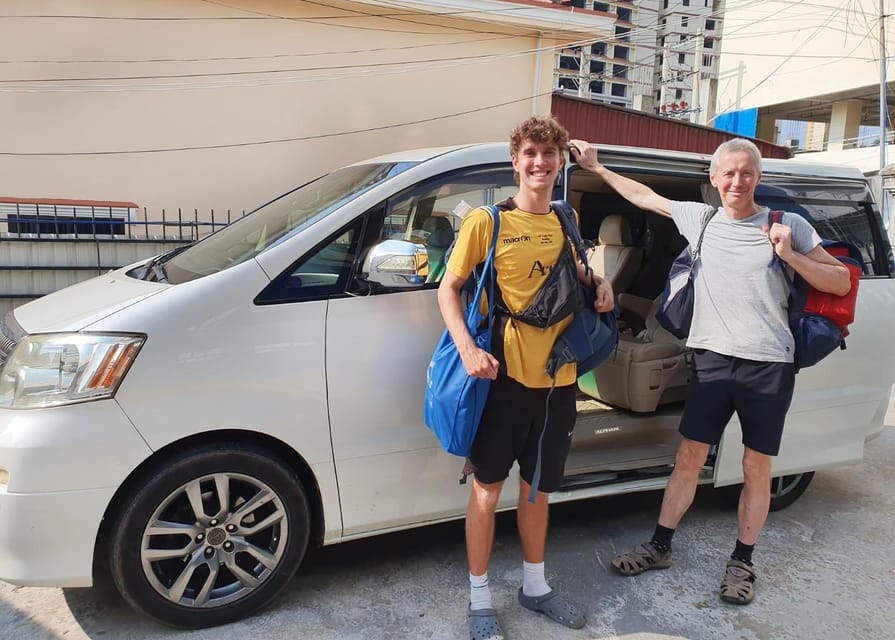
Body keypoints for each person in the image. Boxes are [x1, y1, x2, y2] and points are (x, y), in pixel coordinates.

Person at [569, 137, 851, 605]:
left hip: (769, 365)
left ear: (758, 178)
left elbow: (839, 280)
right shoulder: (701, 220)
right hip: (712, 361)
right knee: (689, 458)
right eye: (729, 173)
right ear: (715, 179)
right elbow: (644, 196)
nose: (737, 181)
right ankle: (660, 546)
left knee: (755, 468)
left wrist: (791, 256)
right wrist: (597, 169)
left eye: (746, 173)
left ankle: (742, 562)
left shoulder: (789, 225)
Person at [437, 116, 614, 639]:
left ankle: (534, 588)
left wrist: (600, 282)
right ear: (515, 161)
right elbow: (449, 289)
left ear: (560, 161)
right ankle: (478, 600)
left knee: (538, 492)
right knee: (487, 493)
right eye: (531, 153)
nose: (540, 162)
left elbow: (576, 274)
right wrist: (468, 349)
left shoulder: (565, 219)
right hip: (503, 382)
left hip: (558, 383)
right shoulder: (487, 223)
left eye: (549, 153)